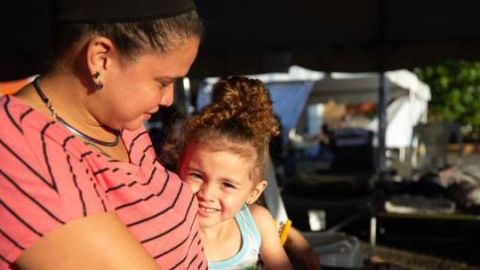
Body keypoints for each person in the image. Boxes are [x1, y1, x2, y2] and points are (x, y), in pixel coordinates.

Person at [0, 0, 206, 269]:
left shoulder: (119, 121)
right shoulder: (18, 149)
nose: (168, 99)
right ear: (101, 59)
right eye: (163, 82)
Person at [175, 76, 294, 269]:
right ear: (179, 167)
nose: (207, 194)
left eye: (227, 184)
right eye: (196, 175)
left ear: (254, 193)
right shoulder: (168, 230)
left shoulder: (257, 223)